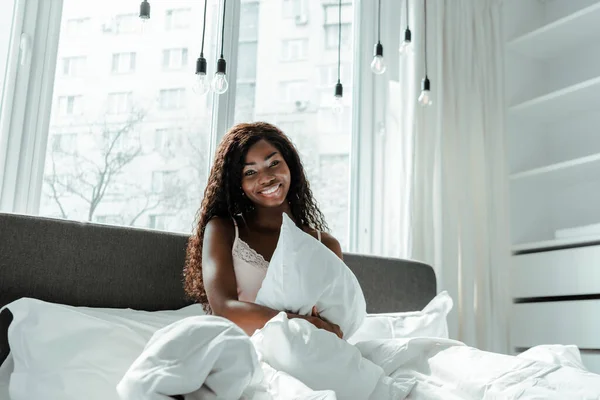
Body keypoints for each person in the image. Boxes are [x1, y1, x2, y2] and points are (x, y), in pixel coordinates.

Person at [183, 122, 344, 339]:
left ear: (290, 166)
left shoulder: (325, 245)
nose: (265, 177)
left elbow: (334, 326)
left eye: (273, 163)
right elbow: (226, 310)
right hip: (243, 352)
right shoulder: (224, 230)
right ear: (237, 183)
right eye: (250, 171)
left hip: (305, 354)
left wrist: (313, 327)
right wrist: (306, 322)